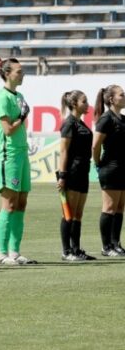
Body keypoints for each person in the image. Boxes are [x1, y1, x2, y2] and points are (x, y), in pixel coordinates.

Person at [0, 57, 36, 265]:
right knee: (9, 203)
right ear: (7, 74)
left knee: (21, 202)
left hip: (21, 153)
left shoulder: (19, 95)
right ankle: (2, 254)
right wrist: (21, 117)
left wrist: (22, 117)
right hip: (8, 155)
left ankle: (15, 252)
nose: (23, 74)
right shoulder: (2, 97)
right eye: (19, 71)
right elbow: (8, 130)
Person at [57, 90, 96, 261]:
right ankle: (67, 251)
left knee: (78, 213)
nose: (87, 104)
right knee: (68, 213)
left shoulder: (81, 123)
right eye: (84, 101)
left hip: (83, 171)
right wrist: (62, 175)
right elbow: (64, 151)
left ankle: (76, 249)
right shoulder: (69, 123)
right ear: (74, 104)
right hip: (71, 172)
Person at [92, 85, 125, 257]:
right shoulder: (106, 119)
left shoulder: (123, 119)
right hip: (110, 168)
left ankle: (116, 243)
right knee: (110, 207)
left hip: (122, 168)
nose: (124, 96)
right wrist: (99, 164)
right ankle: (106, 247)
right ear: (111, 99)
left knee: (120, 207)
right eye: (122, 94)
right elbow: (96, 145)